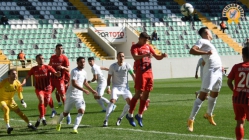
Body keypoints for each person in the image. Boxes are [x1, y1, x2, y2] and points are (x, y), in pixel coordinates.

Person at [126, 32, 167, 127]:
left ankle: (139, 115)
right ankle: (130, 114)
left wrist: (162, 56)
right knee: (139, 93)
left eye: (147, 39)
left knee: (147, 93)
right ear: (140, 38)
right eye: (144, 39)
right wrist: (145, 55)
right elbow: (135, 57)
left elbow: (157, 57)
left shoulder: (148, 46)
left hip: (149, 72)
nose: (146, 41)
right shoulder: (135, 47)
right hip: (141, 71)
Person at [187, 27, 223, 132]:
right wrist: (206, 54)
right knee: (203, 95)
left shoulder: (210, 44)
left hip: (218, 71)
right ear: (207, 32)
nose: (212, 33)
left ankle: (208, 114)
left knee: (215, 94)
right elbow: (192, 50)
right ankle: (191, 119)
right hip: (211, 71)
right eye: (210, 31)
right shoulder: (202, 40)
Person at [56, 57, 98, 134]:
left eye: (84, 62)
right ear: (77, 63)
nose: (83, 63)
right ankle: (59, 122)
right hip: (71, 95)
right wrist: (84, 90)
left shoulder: (84, 72)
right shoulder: (74, 71)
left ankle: (75, 128)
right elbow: (74, 83)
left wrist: (92, 91)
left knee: (81, 111)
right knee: (65, 113)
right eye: (81, 62)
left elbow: (85, 82)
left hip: (79, 96)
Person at [22, 54, 61, 128]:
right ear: (36, 60)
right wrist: (24, 82)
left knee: (44, 106)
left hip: (48, 89)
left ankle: (39, 119)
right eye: (40, 58)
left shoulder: (48, 67)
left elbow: (55, 73)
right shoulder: (34, 69)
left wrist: (57, 74)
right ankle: (43, 118)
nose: (42, 60)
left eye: (43, 58)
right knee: (41, 100)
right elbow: (27, 77)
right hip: (39, 88)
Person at [102, 52, 135, 127]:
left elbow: (133, 75)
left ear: (124, 57)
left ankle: (120, 118)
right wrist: (108, 88)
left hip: (125, 88)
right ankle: (106, 120)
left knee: (131, 103)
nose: (122, 57)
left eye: (123, 56)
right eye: (120, 56)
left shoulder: (127, 65)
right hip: (116, 87)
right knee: (112, 101)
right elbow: (109, 78)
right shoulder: (113, 66)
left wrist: (136, 84)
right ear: (117, 57)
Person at [0, 69, 37, 134]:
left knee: (20, 113)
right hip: (2, 100)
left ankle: (29, 124)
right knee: (6, 109)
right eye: (13, 74)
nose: (15, 75)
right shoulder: (4, 82)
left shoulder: (17, 83)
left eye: (16, 73)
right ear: (9, 75)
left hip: (11, 100)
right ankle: (8, 127)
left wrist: (22, 101)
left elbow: (19, 93)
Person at [227, 46, 249, 140]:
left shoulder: (236, 66)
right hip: (248, 98)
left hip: (237, 98)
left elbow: (229, 82)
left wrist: (235, 91)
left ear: (243, 55)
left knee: (240, 122)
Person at [49, 44, 71, 123]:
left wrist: (63, 67)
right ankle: (53, 110)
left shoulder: (64, 58)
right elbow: (49, 66)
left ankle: (68, 114)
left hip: (60, 80)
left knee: (63, 96)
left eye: (61, 48)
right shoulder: (52, 57)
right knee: (47, 95)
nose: (60, 50)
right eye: (59, 48)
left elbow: (68, 69)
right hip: (52, 79)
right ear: (55, 49)